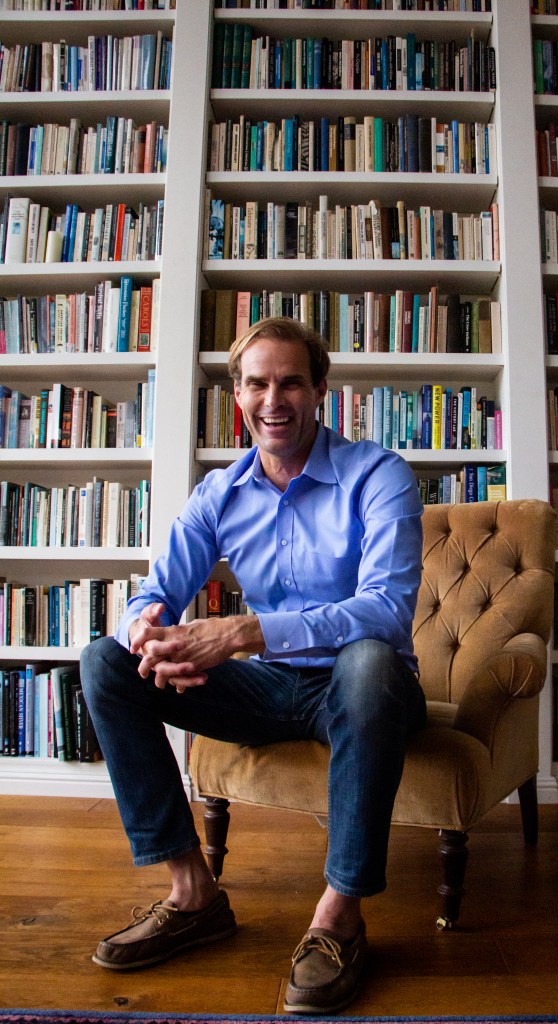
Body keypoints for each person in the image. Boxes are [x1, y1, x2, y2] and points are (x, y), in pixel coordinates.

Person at [80, 316, 427, 1014]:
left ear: (319, 388)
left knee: (364, 660)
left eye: (291, 381)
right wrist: (148, 632)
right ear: (236, 395)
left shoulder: (378, 473)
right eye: (257, 383)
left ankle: (339, 917)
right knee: (103, 661)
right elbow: (153, 591)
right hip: (270, 689)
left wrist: (244, 630)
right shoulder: (219, 493)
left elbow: (386, 612)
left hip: (366, 690)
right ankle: (193, 892)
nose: (275, 399)